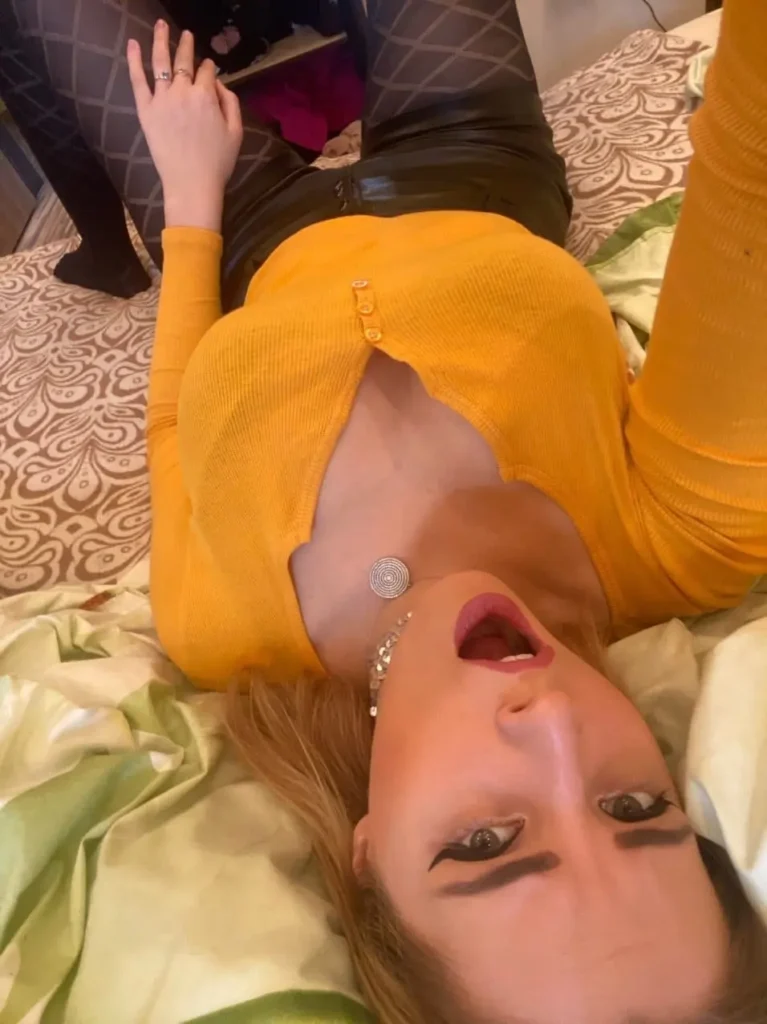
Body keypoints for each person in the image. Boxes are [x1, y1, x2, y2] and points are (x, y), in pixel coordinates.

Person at [6, 0, 766, 1020]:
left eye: (484, 842)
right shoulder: (688, 539)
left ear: (366, 857)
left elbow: (174, 427)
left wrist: (188, 207)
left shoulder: (221, 635)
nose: (552, 723)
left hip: (241, 229)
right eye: (635, 804)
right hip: (473, 161)